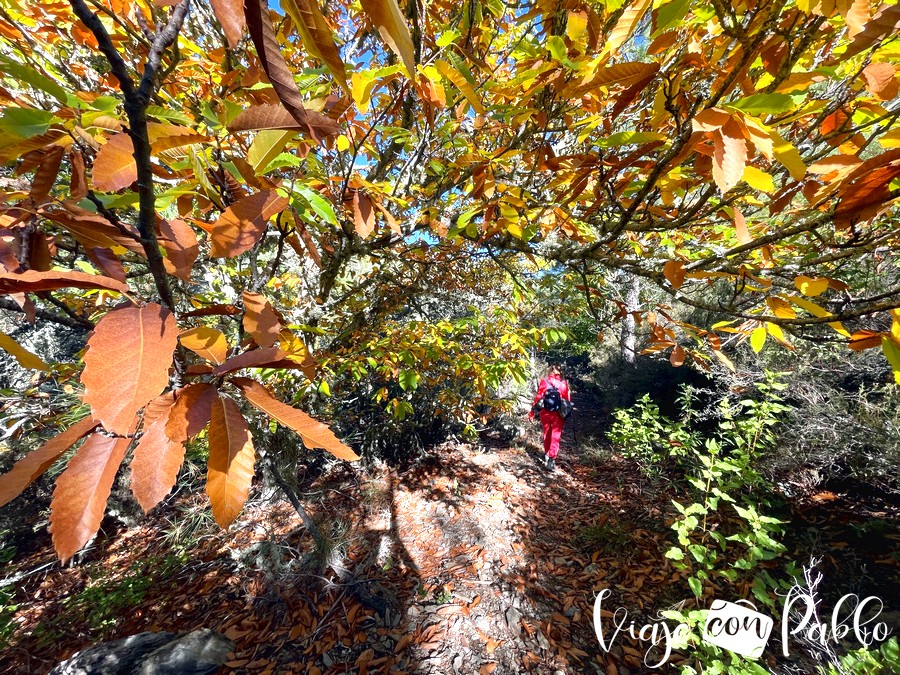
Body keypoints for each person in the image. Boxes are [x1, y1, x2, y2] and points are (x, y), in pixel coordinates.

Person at [528, 364, 572, 471]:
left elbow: (538, 397)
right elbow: (567, 400)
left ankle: (547, 455)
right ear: (560, 372)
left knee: (547, 434)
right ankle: (552, 460)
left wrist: (532, 412)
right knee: (555, 436)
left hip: (545, 412)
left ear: (550, 371)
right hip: (558, 414)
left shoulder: (544, 381)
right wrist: (567, 413)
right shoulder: (564, 383)